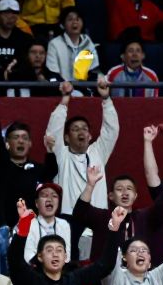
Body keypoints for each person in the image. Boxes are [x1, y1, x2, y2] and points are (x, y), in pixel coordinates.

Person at [46, 78, 119, 214]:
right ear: (66, 138)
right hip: (68, 227)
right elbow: (54, 131)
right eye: (75, 129)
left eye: (84, 129)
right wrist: (65, 99)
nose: (81, 132)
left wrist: (106, 99)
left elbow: (111, 130)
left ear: (90, 136)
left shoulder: (98, 152)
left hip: (96, 228)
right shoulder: (61, 155)